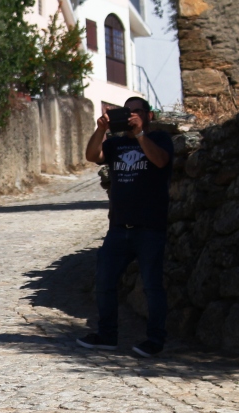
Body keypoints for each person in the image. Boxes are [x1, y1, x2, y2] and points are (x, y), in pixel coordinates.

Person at [77, 97, 174, 358]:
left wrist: (140, 134)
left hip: (149, 228)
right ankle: (107, 336)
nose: (131, 116)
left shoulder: (160, 140)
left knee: (152, 286)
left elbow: (161, 161)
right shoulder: (116, 144)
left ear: (149, 116)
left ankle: (154, 340)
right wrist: (100, 129)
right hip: (119, 228)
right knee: (105, 282)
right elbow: (91, 155)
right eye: (127, 112)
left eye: (137, 112)